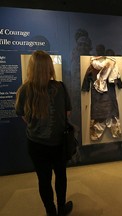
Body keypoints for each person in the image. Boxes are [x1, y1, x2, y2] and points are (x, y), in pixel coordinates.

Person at [15, 50, 73, 216]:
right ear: (49, 67)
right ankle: (62, 209)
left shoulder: (24, 89)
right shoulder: (60, 87)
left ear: (31, 68)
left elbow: (22, 115)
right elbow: (67, 113)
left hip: (36, 144)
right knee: (61, 176)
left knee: (43, 180)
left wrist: (38, 124)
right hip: (59, 143)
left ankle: (51, 212)